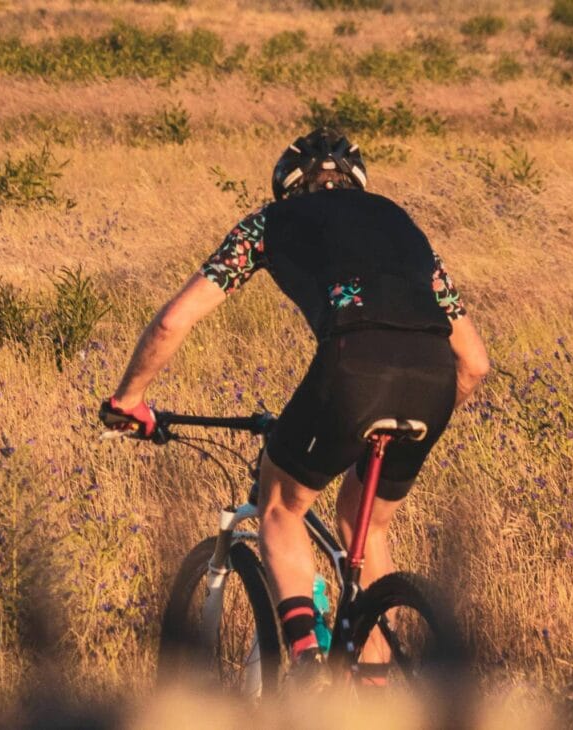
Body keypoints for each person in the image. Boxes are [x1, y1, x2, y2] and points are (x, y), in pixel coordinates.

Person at [100, 128, 490, 675]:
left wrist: (129, 399)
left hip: (352, 365)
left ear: (287, 186)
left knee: (281, 506)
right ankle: (375, 687)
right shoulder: (403, 225)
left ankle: (306, 666)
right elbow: (474, 364)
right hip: (433, 382)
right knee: (366, 527)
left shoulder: (269, 223)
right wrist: (416, 411)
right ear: (357, 183)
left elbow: (173, 320)